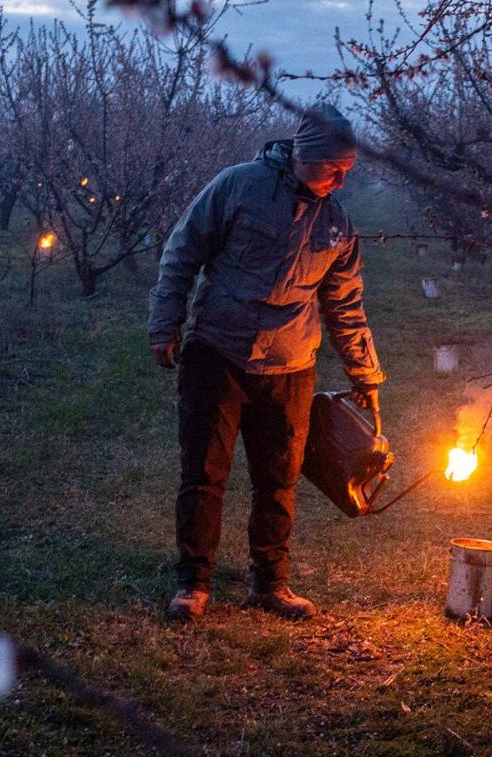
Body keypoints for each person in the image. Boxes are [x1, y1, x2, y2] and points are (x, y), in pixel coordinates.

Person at [146, 102, 384, 622]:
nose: (340, 182)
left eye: (349, 171)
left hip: (290, 365)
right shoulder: (238, 187)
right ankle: (194, 583)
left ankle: (270, 582)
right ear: (304, 154)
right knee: (204, 473)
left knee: (279, 477)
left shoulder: (337, 224)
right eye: (333, 169)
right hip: (218, 352)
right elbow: (182, 252)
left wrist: (365, 372)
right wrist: (166, 324)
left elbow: (345, 303)